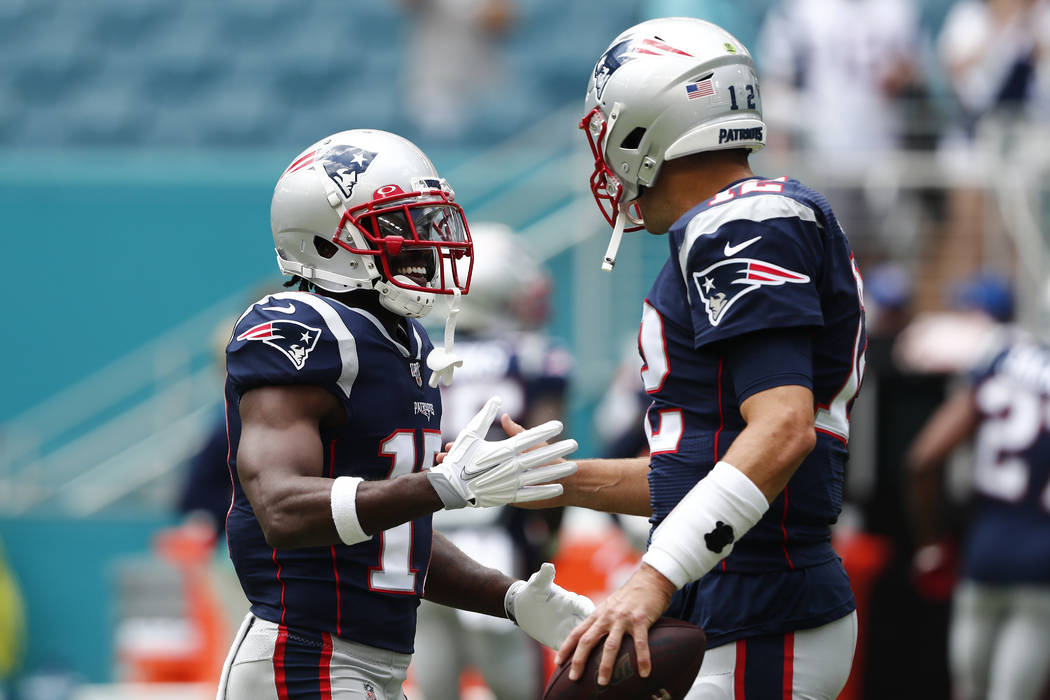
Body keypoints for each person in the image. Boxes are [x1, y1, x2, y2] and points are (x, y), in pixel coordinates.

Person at [521, 18, 866, 698]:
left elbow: (783, 429)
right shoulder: (733, 222)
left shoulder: (742, 222)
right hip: (734, 594)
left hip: (759, 600)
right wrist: (551, 478)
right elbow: (699, 470)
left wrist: (652, 577)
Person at [216, 129, 594, 700]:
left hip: (374, 664)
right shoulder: (302, 327)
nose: (425, 242)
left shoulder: (405, 343)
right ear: (325, 242)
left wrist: (508, 598)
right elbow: (281, 508)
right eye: (397, 225)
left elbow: (397, 538)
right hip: (304, 657)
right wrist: (441, 485)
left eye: (426, 221)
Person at [410, 222, 572, 699]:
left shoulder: (422, 355)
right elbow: (548, 455)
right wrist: (552, 531)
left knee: (434, 679)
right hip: (499, 536)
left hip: (426, 531)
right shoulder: (534, 357)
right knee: (518, 684)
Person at [906, 284, 1050, 700]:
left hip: (986, 549)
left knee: (969, 689)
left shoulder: (1000, 363)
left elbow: (923, 460)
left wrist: (930, 541)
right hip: (1042, 562)